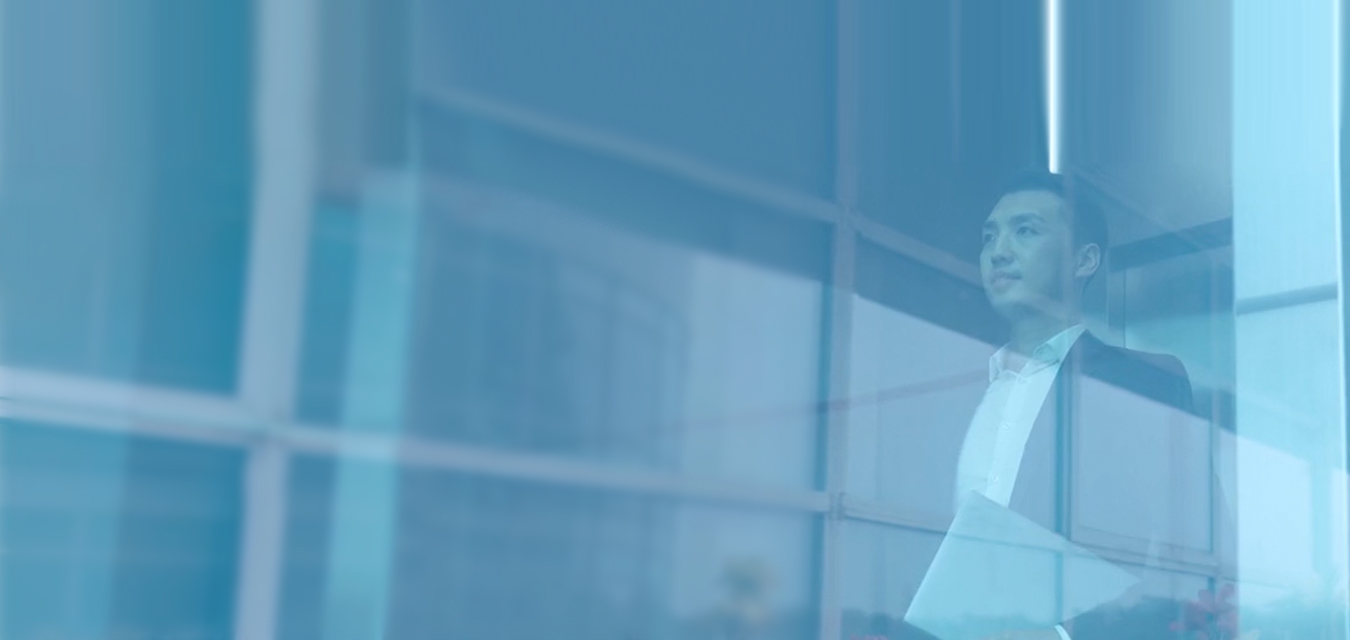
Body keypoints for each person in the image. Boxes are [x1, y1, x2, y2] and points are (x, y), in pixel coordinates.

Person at [920, 171, 1233, 640]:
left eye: (1025, 230)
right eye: (989, 236)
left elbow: (1197, 551)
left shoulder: (1143, 384)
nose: (998, 250)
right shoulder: (953, 400)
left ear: (1084, 260)